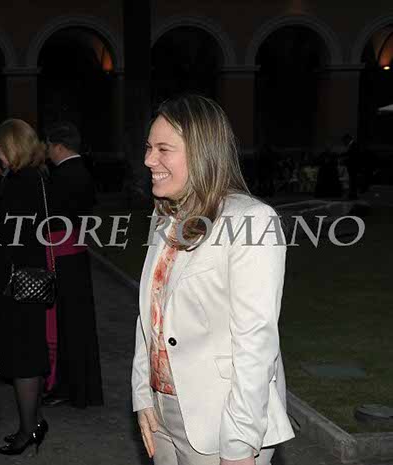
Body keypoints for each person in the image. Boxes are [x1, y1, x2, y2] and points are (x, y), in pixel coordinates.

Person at [132, 95, 294, 465]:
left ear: (202, 153)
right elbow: (149, 318)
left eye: (163, 149)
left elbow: (256, 343)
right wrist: (143, 395)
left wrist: (240, 443)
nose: (149, 160)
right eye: (148, 148)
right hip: (162, 412)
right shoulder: (166, 217)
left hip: (221, 421)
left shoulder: (252, 221)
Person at [0, 119, 50, 455]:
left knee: (23, 358)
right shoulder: (37, 176)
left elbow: (7, 237)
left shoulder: (19, 181)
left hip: (19, 280)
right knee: (30, 354)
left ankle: (28, 430)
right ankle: (34, 422)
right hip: (32, 276)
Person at [43, 121, 103, 408]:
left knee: (65, 326)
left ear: (58, 146)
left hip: (61, 255)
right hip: (76, 254)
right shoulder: (83, 172)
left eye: (48, 147)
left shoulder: (62, 175)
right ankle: (81, 387)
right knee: (79, 325)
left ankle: (65, 386)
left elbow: (48, 219)